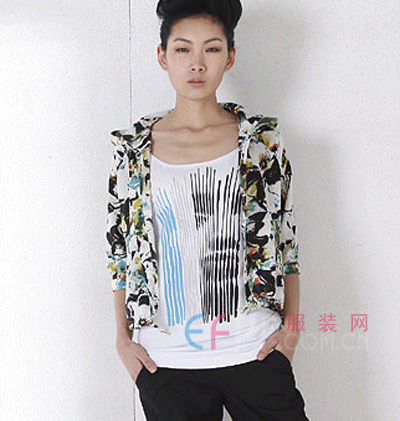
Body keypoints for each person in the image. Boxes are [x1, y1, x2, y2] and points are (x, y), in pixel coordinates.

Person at [106, 0, 309, 420]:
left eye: (212, 49)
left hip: (255, 349)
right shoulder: (133, 151)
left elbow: (287, 242)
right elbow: (118, 252)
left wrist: (291, 330)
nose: (196, 64)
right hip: (167, 362)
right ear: (162, 56)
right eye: (183, 49)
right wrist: (123, 341)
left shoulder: (261, 142)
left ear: (230, 56)